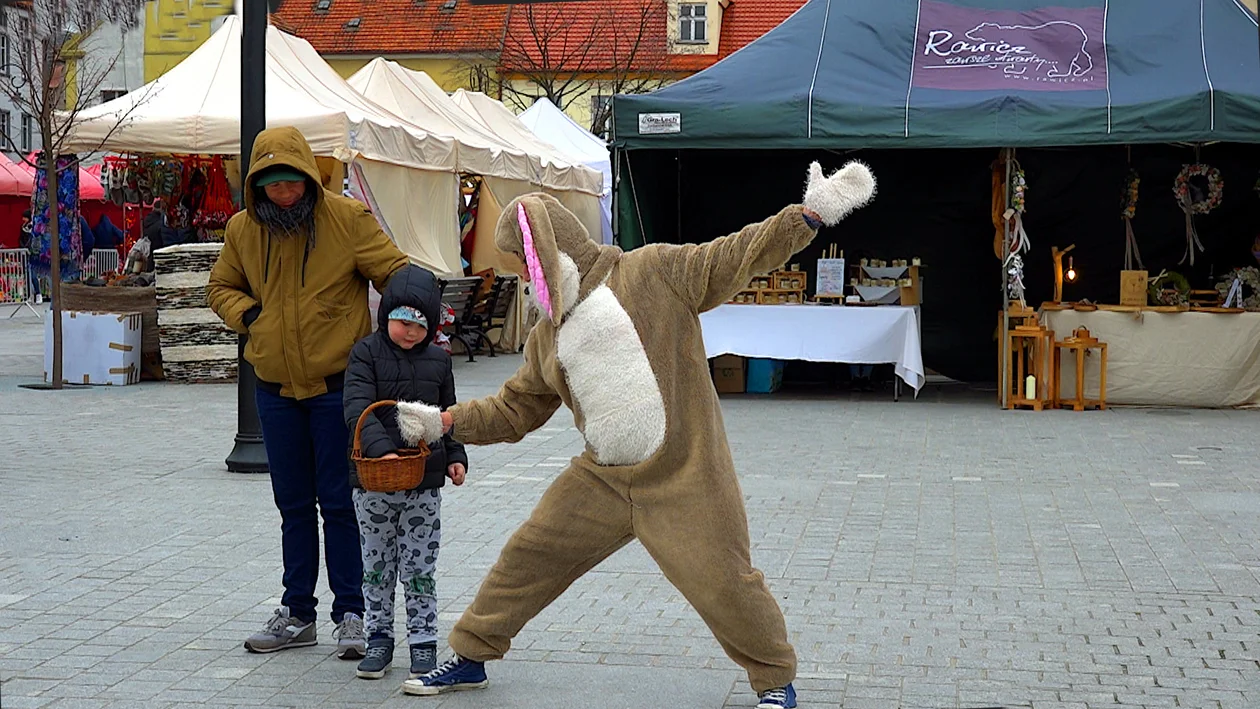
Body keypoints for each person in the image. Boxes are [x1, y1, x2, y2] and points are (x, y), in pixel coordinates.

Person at [396, 161, 876, 708]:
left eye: (524, 264)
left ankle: (774, 681)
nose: (524, 280)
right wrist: (446, 422)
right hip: (602, 481)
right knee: (528, 554)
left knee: (725, 583)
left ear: (552, 250)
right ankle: (471, 655)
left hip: (684, 475)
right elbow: (514, 409)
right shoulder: (546, 336)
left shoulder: (652, 272)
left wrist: (806, 217)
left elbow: (731, 256)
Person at [207, 125, 410, 659]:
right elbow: (219, 286)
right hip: (274, 389)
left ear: (307, 177)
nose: (284, 194)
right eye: (272, 185)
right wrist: (249, 316)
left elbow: (393, 270)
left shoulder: (346, 220)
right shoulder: (242, 230)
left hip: (337, 387)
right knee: (293, 504)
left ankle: (353, 614)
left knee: (341, 504)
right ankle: (298, 612)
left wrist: (412, 313)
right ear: (257, 186)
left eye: (292, 183)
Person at [342, 264, 469, 682]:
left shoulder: (438, 360)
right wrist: (381, 453)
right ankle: (378, 637)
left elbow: (446, 413)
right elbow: (358, 409)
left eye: (419, 325)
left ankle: (423, 642)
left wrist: (455, 455)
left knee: (419, 566)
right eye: (402, 322)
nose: (410, 332)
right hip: (375, 483)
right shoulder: (365, 353)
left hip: (423, 486)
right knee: (377, 565)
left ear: (431, 326)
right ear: (386, 317)